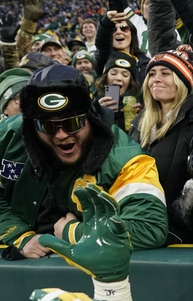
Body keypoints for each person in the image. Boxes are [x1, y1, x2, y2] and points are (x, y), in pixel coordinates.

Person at [0, 64, 167, 260]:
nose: (61, 135)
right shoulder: (8, 135)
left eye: (72, 123)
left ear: (92, 117)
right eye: (47, 125)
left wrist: (75, 232)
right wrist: (18, 235)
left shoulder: (126, 160)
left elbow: (149, 228)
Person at [128, 50, 193, 244]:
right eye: (152, 74)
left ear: (181, 81)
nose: (156, 79)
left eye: (165, 73)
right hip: (138, 226)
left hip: (180, 234)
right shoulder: (137, 125)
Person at [94, 52, 142, 133]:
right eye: (113, 73)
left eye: (125, 75)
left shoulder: (141, 99)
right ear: (105, 77)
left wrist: (142, 118)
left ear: (131, 81)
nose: (118, 78)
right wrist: (96, 114)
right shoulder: (93, 99)